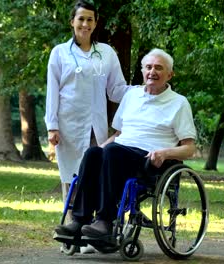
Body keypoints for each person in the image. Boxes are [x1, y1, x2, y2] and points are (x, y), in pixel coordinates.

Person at [54, 48, 197, 240]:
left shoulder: (179, 103)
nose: (152, 72)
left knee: (113, 151)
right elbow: (119, 134)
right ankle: (80, 221)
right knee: (94, 153)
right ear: (142, 71)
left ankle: (105, 220)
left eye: (158, 68)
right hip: (119, 151)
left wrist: (164, 153)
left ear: (169, 74)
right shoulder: (131, 96)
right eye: (148, 67)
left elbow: (189, 148)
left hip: (150, 160)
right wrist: (99, 149)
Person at [44, 0, 131, 217]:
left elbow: (116, 90)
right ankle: (71, 233)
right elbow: (52, 91)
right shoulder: (59, 53)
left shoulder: (107, 53)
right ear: (72, 21)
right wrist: (52, 126)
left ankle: (90, 229)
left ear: (96, 23)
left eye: (89, 19)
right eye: (81, 18)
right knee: (71, 178)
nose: (85, 24)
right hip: (68, 126)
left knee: (95, 175)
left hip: (96, 125)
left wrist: (141, 92)